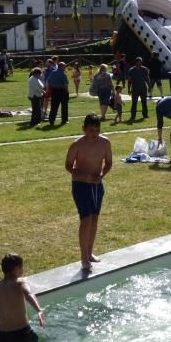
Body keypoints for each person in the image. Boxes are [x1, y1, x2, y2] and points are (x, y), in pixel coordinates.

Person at [64, 114, 113, 271]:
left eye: (97, 130)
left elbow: (109, 163)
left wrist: (101, 175)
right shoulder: (76, 145)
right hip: (80, 185)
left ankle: (90, 253)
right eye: (91, 130)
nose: (94, 134)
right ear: (84, 129)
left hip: (97, 186)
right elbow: (68, 165)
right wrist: (81, 175)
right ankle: (84, 257)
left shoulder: (105, 143)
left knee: (94, 219)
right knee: (86, 220)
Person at [46, 59, 70, 125]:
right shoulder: (63, 74)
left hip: (54, 91)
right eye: (64, 66)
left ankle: (51, 120)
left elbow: (48, 81)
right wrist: (67, 92)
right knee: (64, 107)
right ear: (62, 67)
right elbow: (66, 85)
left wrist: (48, 89)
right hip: (62, 91)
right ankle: (64, 120)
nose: (65, 67)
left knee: (54, 107)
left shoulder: (53, 72)